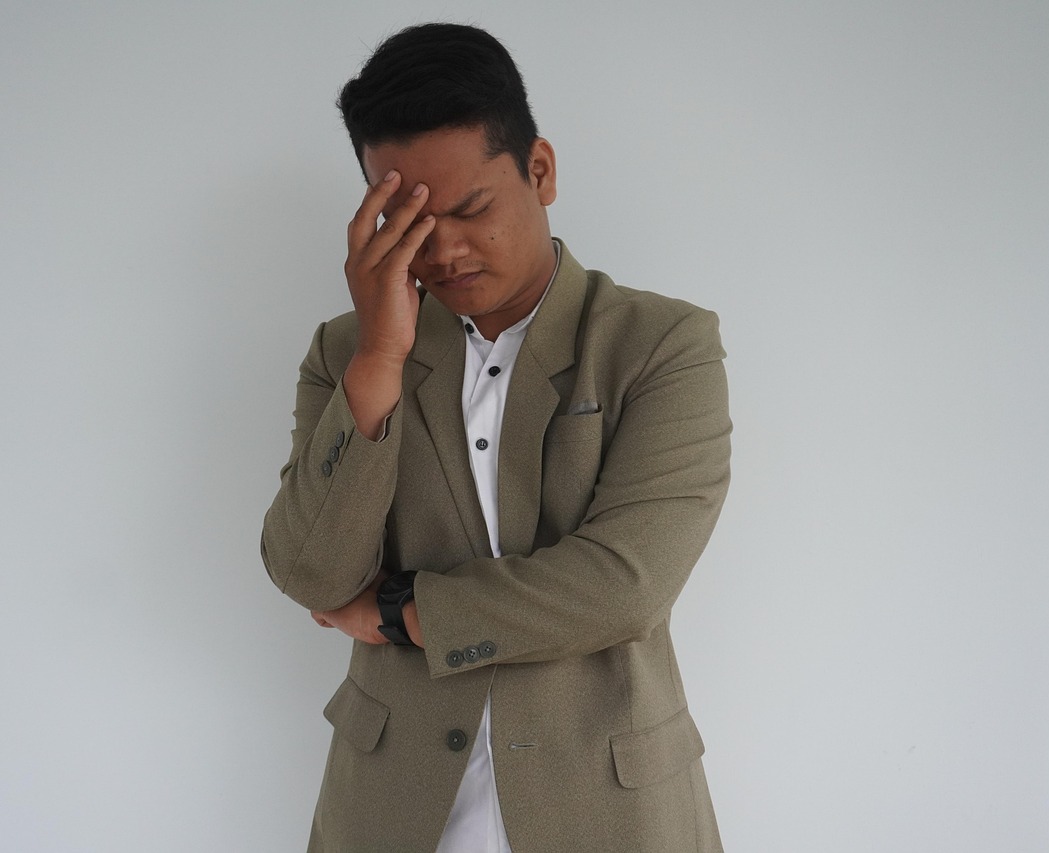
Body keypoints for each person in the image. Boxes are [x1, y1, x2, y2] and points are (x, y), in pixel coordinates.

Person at [262, 22, 731, 853]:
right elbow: (310, 573)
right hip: (393, 808)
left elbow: (624, 585)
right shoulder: (347, 353)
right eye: (408, 223)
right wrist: (381, 358)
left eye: (472, 209)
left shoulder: (661, 344)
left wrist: (403, 612)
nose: (443, 250)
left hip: (606, 807)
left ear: (539, 171)